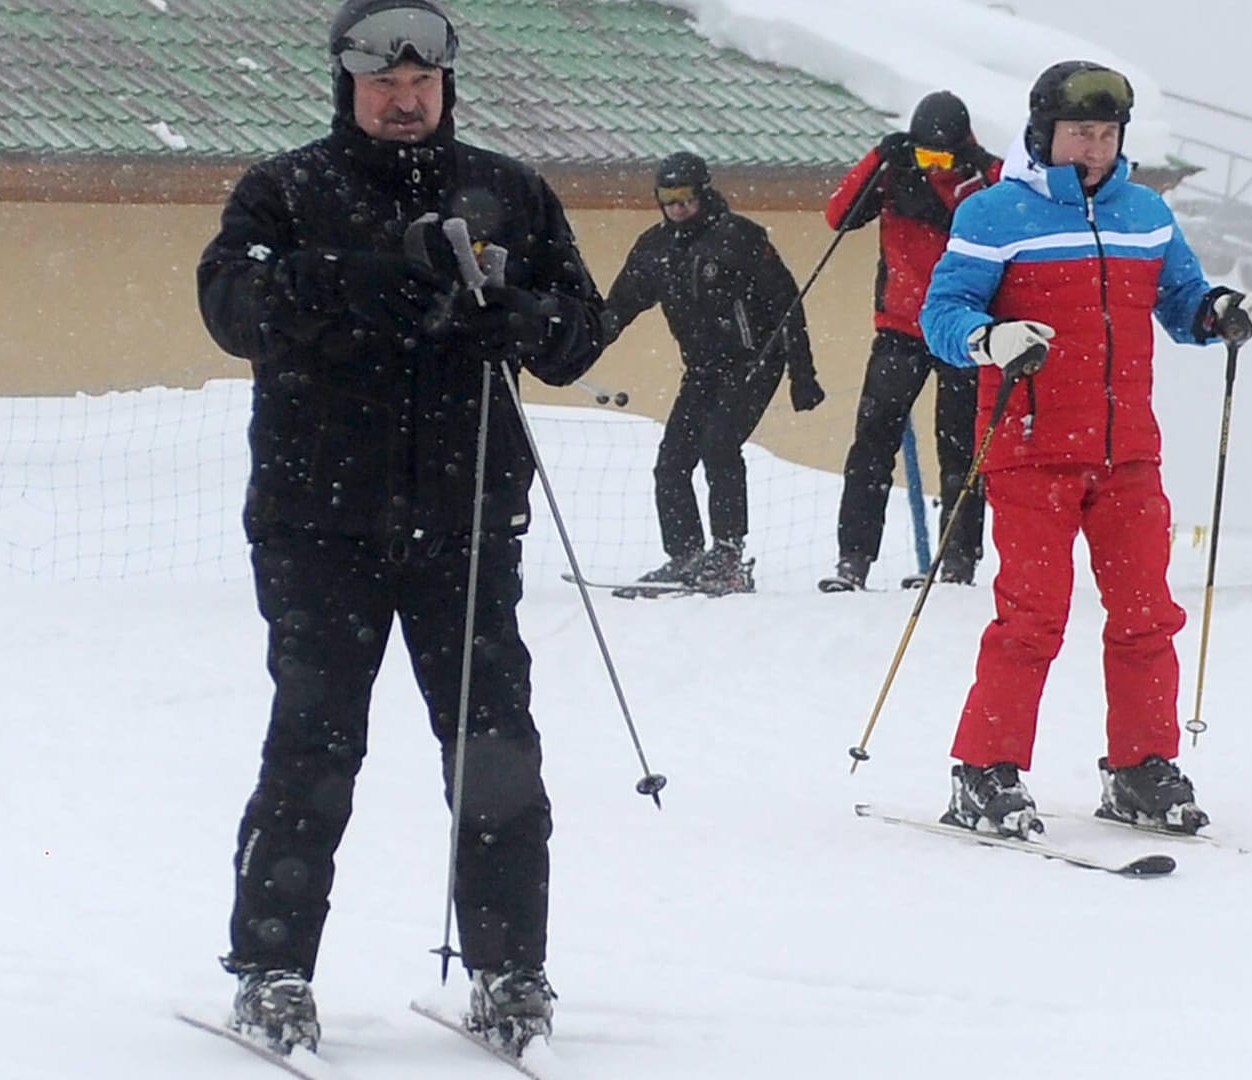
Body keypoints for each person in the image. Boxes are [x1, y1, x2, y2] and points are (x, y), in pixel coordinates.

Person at [195, 0, 605, 1056]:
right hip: (317, 524)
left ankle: (512, 972)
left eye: (422, 82)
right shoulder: (286, 190)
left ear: (446, 85)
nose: (405, 97)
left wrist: (517, 315)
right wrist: (380, 279)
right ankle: (273, 970)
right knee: (316, 747)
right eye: (384, 81)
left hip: (466, 528)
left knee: (494, 753)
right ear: (348, 82)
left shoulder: (509, 190)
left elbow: (577, 333)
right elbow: (235, 306)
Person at [919, 61, 1252, 839]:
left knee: (1147, 615)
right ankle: (985, 771)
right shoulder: (993, 213)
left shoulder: (1145, 212)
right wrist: (990, 337)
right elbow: (942, 312)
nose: (1094, 149)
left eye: (1107, 135)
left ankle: (1141, 768)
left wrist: (1217, 313)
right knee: (1033, 618)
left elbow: (1179, 301)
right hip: (1030, 444)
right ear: (1044, 132)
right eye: (1080, 133)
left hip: (1127, 451)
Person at [600, 151, 824, 595]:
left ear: (704, 192)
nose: (678, 207)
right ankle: (684, 555)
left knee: (719, 445)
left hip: (754, 361)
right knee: (672, 461)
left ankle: (727, 555)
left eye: (685, 197)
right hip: (703, 368)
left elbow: (786, 304)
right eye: (668, 198)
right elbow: (620, 306)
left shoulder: (739, 237)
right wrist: (575, 347)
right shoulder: (655, 248)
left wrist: (803, 373)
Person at [819, 91, 1002, 592]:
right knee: (872, 446)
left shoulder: (987, 179)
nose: (933, 167)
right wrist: (881, 156)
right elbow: (839, 216)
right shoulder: (895, 171)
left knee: (961, 450)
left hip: (966, 333)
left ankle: (956, 562)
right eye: (925, 156)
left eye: (942, 158)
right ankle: (852, 559)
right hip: (899, 329)